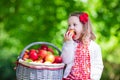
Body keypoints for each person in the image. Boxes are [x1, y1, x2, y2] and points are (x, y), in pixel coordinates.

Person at [61, 12, 104, 80]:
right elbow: (65, 61)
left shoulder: (94, 47)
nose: (71, 27)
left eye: (74, 25)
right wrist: (68, 43)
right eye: (69, 25)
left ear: (84, 27)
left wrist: (95, 78)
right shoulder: (69, 44)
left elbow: (98, 65)